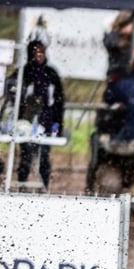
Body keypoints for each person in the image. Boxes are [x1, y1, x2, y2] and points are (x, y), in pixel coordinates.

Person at [3, 40, 64, 190]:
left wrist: (58, 124)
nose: (39, 55)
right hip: (25, 123)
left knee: (44, 156)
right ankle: (22, 186)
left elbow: (59, 102)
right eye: (35, 52)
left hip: (46, 123)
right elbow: (11, 93)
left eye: (41, 52)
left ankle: (44, 188)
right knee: (26, 155)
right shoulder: (23, 73)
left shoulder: (51, 74)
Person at [103, 10, 134, 82]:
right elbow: (110, 43)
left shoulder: (129, 38)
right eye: (129, 24)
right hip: (117, 76)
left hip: (128, 75)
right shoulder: (113, 37)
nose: (131, 27)